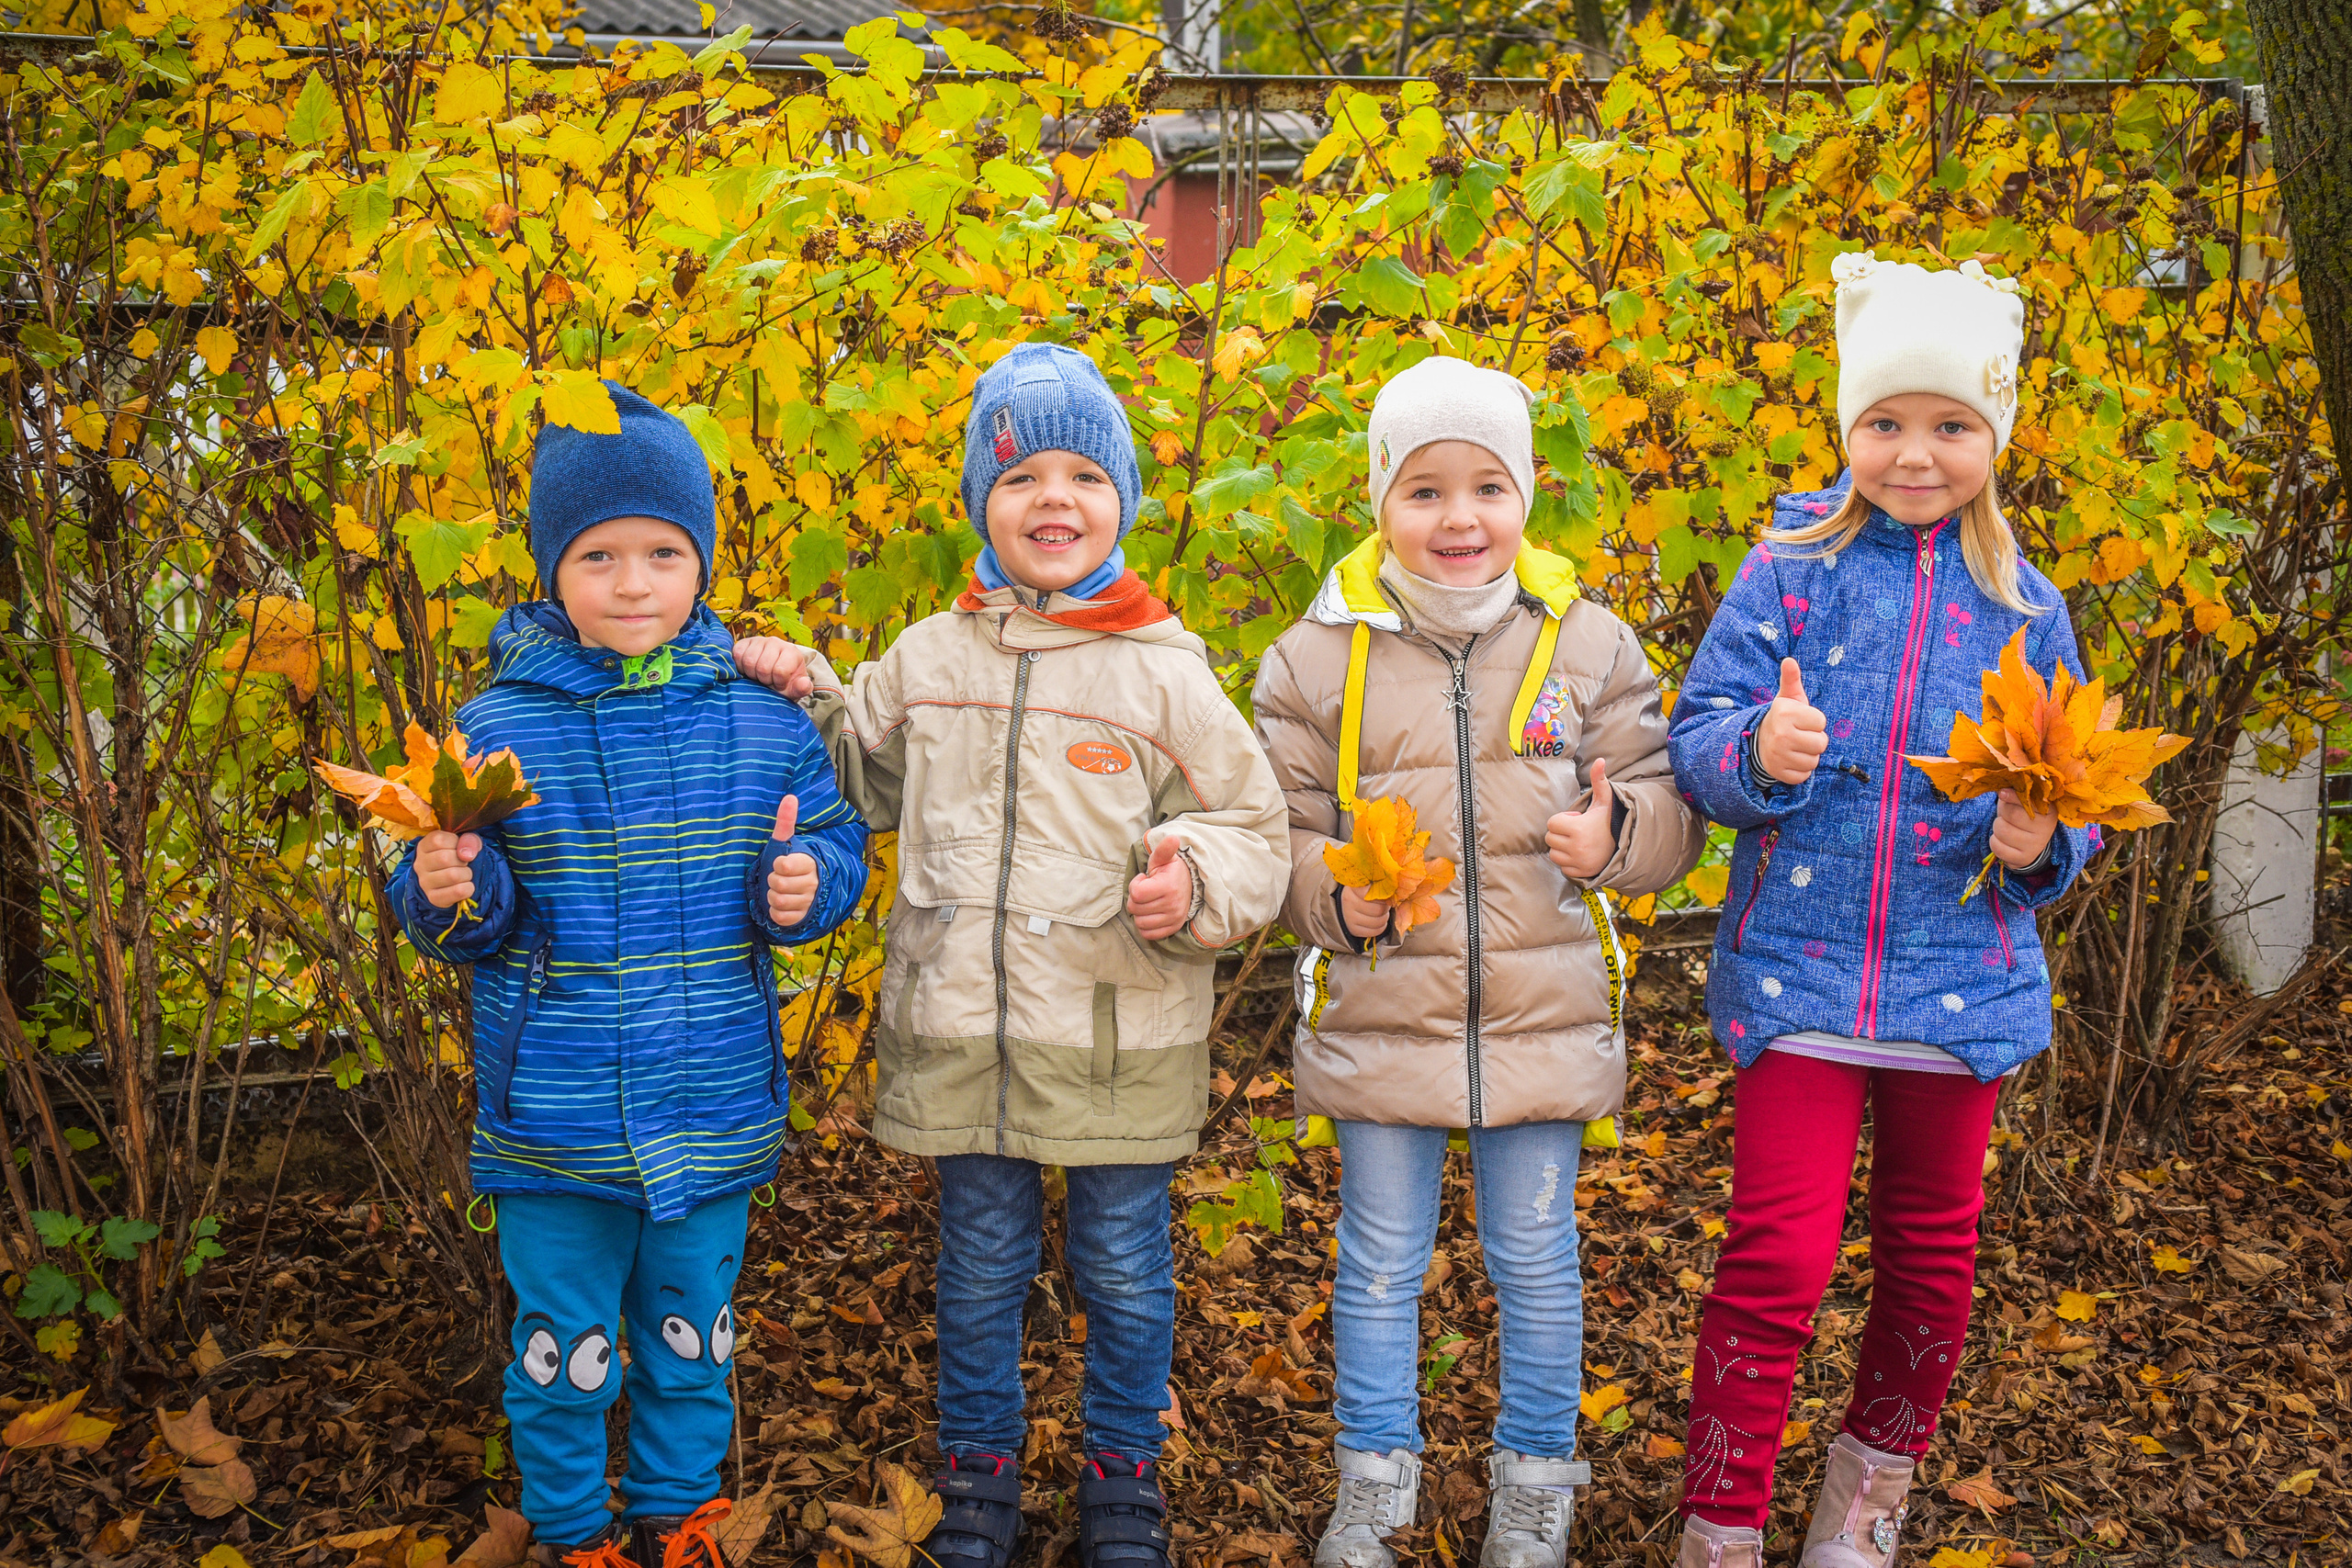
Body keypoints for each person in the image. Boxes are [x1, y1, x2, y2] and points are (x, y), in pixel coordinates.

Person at [731, 343, 1290, 1568]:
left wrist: (1191, 880)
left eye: (1083, 476)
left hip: (1116, 1043)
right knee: (980, 1268)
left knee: (1126, 1274)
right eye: (1021, 472)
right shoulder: (934, 660)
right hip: (967, 1039)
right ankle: (977, 1476)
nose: (1053, 498)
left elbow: (1257, 831)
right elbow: (855, 775)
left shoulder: (1166, 675)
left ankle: (1123, 1478)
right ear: (981, 504)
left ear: (1122, 504)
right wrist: (802, 687)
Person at [387, 385, 868, 1568]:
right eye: (599, 556)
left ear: (700, 561)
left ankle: (680, 1514)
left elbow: (836, 838)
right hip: (554, 1121)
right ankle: (568, 1533)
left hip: (709, 1110)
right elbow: (459, 912)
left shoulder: (762, 723)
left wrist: (807, 880)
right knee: (563, 1343)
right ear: (556, 571)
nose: (635, 583)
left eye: (663, 553)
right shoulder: (497, 728)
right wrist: (453, 889)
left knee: (692, 1335)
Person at [1662, 254, 2092, 1568]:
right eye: (1886, 423)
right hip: (1798, 980)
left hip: (1958, 992)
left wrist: (2036, 847)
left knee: (1929, 1263)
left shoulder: (2028, 608)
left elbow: (2065, 801)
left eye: (1952, 425)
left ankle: (1863, 1514)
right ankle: (1723, 1521)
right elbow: (1699, 739)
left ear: (1995, 439)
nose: (1916, 454)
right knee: (1776, 1262)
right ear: (1848, 428)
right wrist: (1761, 753)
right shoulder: (1789, 565)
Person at [1250, 355, 1705, 1568]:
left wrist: (1618, 838)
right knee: (1380, 1259)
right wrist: (1338, 901)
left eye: (1488, 488)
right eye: (1425, 490)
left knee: (1538, 1260)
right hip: (1380, 1009)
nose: (1459, 518)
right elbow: (1277, 839)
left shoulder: (1589, 646)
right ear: (1378, 502)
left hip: (1543, 1011)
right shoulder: (1312, 661)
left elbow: (1666, 811)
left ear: (1528, 496)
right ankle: (1375, 1482)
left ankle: (1536, 1485)